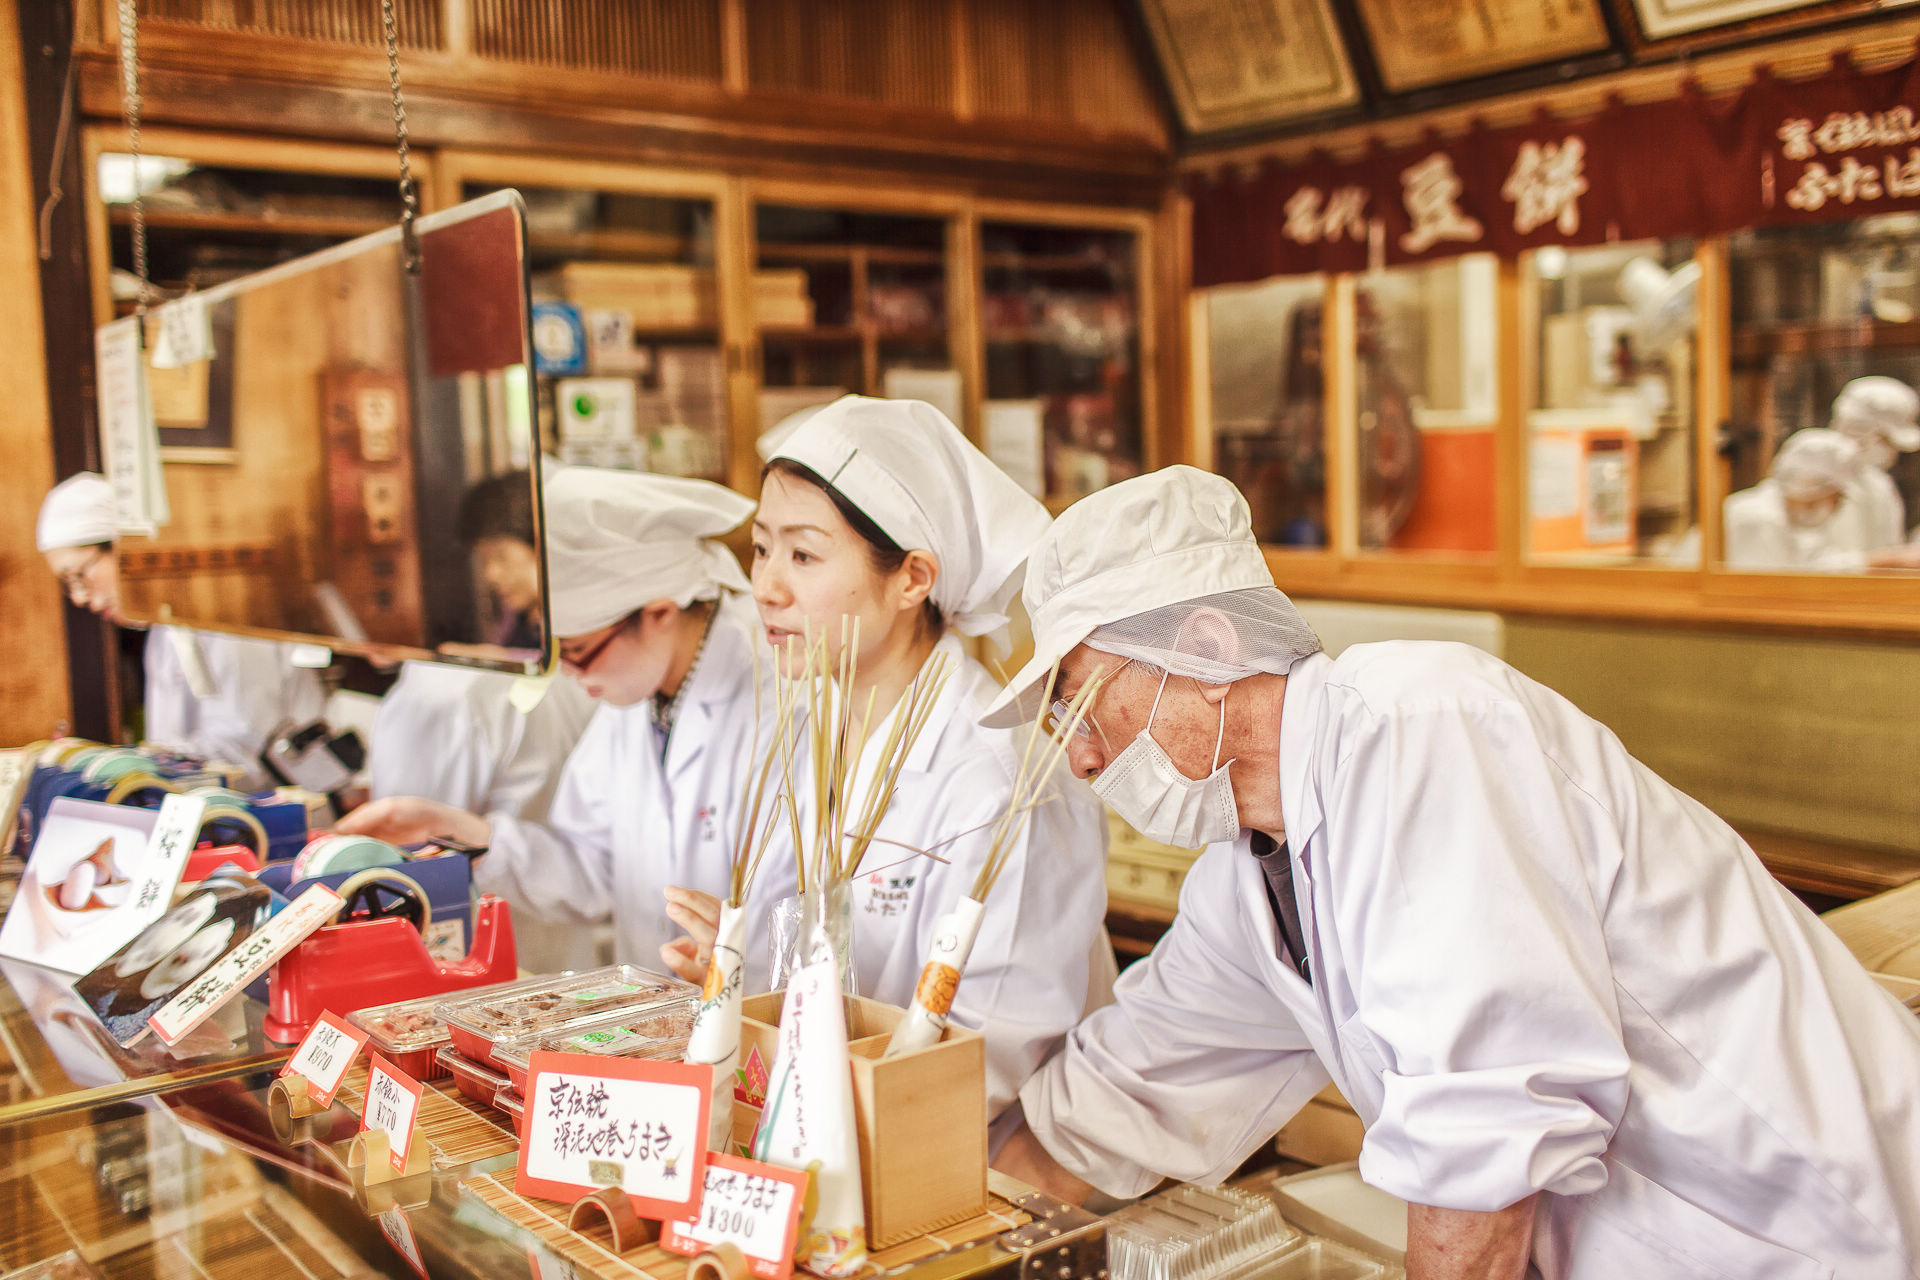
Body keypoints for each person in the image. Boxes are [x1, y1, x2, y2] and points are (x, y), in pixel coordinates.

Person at [989, 465, 1920, 1279]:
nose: (1079, 759)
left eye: (1078, 705)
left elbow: (1483, 1127)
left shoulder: (1426, 723)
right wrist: (949, 1224)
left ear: (1204, 648)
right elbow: (1134, 1082)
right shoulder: (1250, 875)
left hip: (1804, 1224)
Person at [664, 395, 1115, 1147]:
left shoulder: (997, 779)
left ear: (912, 578)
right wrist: (752, 974)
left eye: (803, 555)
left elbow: (987, 1059)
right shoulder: (810, 730)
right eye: (761, 549)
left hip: (981, 1167)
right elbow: (833, 970)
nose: (766, 588)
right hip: (836, 1134)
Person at [338, 466, 767, 974]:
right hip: (662, 1012)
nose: (567, 671)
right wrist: (460, 834)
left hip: (763, 1019)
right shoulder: (634, 699)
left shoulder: (778, 701)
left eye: (580, 650)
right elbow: (589, 868)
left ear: (659, 613)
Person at [37, 472, 325, 789]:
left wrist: (136, 765)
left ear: (125, 548)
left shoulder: (224, 613)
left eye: (79, 574)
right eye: (68, 585)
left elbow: (246, 750)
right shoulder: (164, 628)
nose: (79, 597)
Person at [1722, 427, 1920, 571]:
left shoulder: (1790, 521)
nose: (1837, 507)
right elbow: (1775, 587)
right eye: (1836, 497)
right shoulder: (1756, 518)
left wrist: (1883, 560)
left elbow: (1817, 564)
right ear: (1812, 488)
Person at [1830, 374, 1920, 550]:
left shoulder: (1879, 484)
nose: (1894, 453)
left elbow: (1891, 549)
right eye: (1886, 440)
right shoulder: (1823, 489)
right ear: (1858, 430)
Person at [458, 471, 545, 651]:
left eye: (501, 556)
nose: (491, 574)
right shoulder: (515, 615)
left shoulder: (577, 624)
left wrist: (505, 661)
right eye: (484, 560)